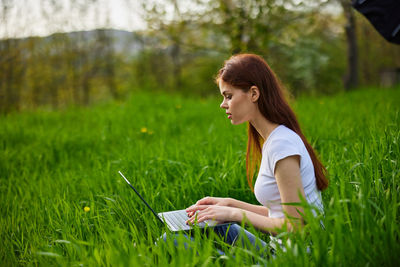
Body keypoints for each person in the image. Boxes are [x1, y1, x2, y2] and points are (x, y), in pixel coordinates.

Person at [163, 53, 328, 254]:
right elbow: (279, 213)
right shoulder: (275, 139)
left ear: (253, 94)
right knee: (216, 227)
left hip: (292, 259)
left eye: (228, 96)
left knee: (169, 242)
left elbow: (296, 228)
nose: (223, 104)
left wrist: (234, 213)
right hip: (279, 251)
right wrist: (228, 204)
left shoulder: (282, 145)